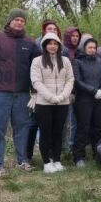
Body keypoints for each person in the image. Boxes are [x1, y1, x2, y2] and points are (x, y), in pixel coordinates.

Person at [0, 8, 38, 175]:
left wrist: (35, 90)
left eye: (22, 20)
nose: (19, 22)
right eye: (16, 19)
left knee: (22, 128)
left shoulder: (30, 42)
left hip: (22, 94)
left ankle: (22, 160)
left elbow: (37, 67)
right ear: (9, 21)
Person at [30, 32, 74, 173]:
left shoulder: (65, 61)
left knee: (58, 132)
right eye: (49, 43)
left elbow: (70, 79)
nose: (52, 46)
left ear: (59, 46)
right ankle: (46, 162)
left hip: (62, 102)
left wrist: (62, 96)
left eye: (55, 43)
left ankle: (57, 160)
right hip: (44, 103)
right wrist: (50, 97)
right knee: (45, 132)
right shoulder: (37, 61)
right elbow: (36, 82)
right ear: (44, 45)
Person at [72, 38, 101, 167]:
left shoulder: (100, 61)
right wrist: (93, 91)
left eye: (94, 47)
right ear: (84, 48)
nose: (92, 50)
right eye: (90, 47)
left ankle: (98, 153)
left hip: (100, 100)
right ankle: (79, 157)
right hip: (84, 100)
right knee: (83, 128)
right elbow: (78, 81)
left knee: (98, 128)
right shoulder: (77, 62)